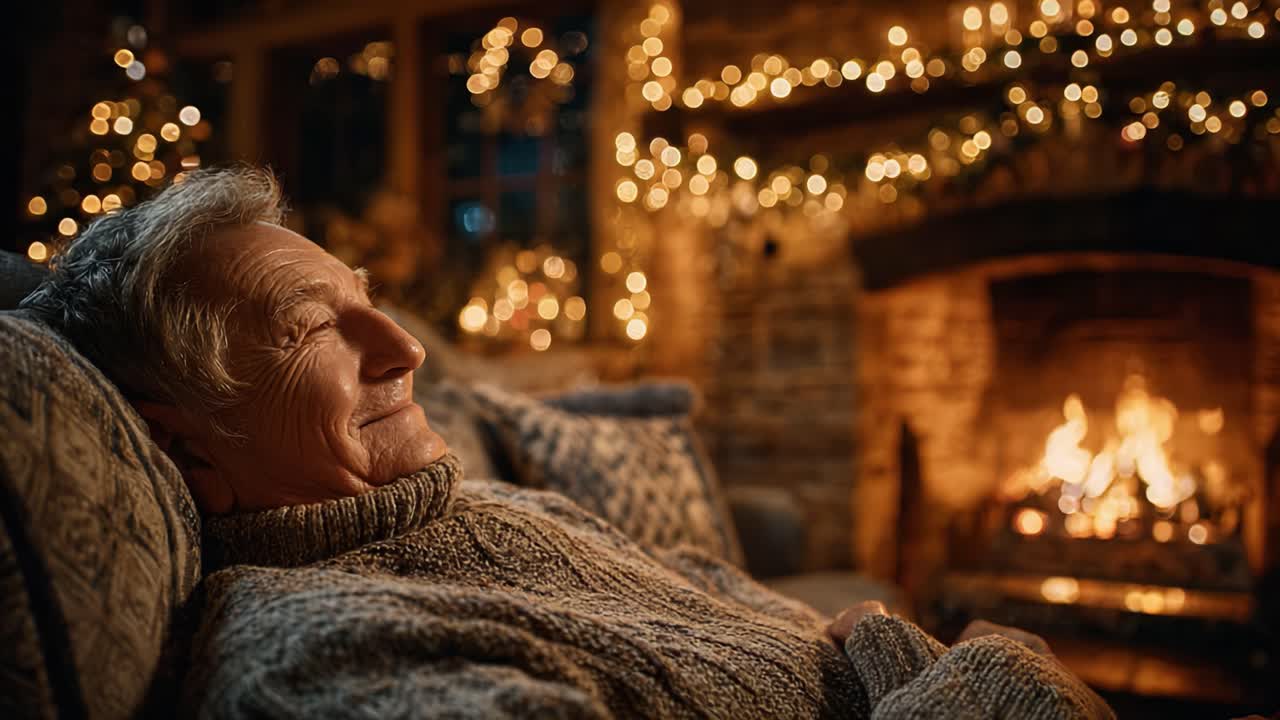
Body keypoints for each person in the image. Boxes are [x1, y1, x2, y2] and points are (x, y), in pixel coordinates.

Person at [22, 167, 1112, 719]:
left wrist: (871, 644)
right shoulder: (306, 646)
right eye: (311, 328)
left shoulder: (481, 509)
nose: (401, 347)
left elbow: (706, 595)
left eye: (367, 301)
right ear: (185, 449)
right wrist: (977, 667)